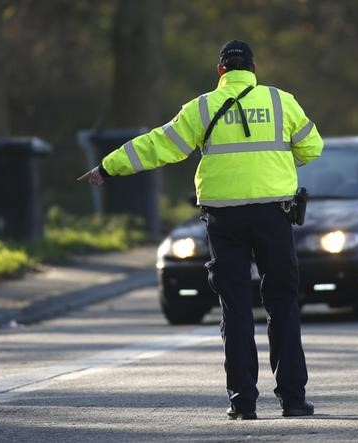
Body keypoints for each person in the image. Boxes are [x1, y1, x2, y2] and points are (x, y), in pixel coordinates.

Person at [78, 40, 323, 420]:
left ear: (220, 71)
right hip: (275, 216)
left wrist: (108, 167)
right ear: (253, 70)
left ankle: (243, 403)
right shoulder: (280, 101)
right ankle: (293, 400)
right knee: (282, 306)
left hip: (224, 221)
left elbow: (160, 145)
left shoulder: (202, 107)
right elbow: (312, 148)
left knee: (236, 309)